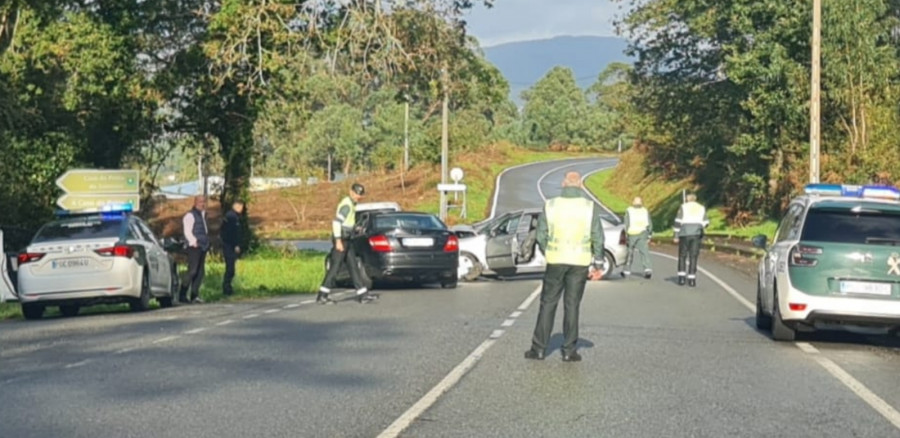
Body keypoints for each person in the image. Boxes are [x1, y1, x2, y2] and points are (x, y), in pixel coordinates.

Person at [525, 171, 605, 362]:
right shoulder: (589, 207)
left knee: (548, 304)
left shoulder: (551, 205)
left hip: (556, 259)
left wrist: (548, 251)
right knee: (572, 305)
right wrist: (599, 263)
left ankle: (539, 349)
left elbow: (541, 234)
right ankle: (569, 350)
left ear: (563, 184)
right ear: (580, 185)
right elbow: (597, 236)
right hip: (580, 262)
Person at [316, 183, 378, 304]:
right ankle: (322, 295)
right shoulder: (347, 205)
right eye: (356, 194)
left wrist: (355, 229)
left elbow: (347, 223)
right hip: (342, 240)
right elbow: (336, 222)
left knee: (353, 266)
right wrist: (338, 241)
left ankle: (362, 294)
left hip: (347, 239)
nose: (358, 197)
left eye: (360, 195)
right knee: (335, 267)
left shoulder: (352, 204)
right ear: (351, 192)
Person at [673, 193, 709, 287]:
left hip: (684, 233)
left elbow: (677, 222)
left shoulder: (683, 207)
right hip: (696, 234)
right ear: (695, 199)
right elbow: (706, 223)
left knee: (682, 255)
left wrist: (676, 235)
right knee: (693, 256)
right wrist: (700, 226)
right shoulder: (701, 208)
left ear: (687, 199)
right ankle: (692, 279)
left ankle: (681, 278)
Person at [180, 195, 209, 304]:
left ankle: (194, 295)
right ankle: (182, 294)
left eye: (204, 201)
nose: (203, 204)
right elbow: (187, 231)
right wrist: (193, 241)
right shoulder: (190, 215)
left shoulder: (203, 215)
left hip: (203, 246)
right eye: (201, 202)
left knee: (200, 272)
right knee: (192, 271)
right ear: (195, 202)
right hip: (194, 246)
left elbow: (204, 230)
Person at [622, 196, 653, 279]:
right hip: (643, 233)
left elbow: (626, 223)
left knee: (629, 252)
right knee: (644, 252)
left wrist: (625, 234)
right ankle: (647, 269)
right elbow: (649, 224)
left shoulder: (629, 210)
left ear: (633, 202)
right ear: (641, 203)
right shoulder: (644, 210)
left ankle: (626, 270)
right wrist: (649, 235)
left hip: (631, 233)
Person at [221, 200, 244, 297]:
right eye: (241, 207)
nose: (242, 209)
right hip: (229, 246)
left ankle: (228, 287)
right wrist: (236, 245)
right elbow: (231, 233)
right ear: (237, 206)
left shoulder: (232, 216)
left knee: (231, 268)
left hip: (229, 245)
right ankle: (227, 288)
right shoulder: (232, 217)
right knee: (230, 268)